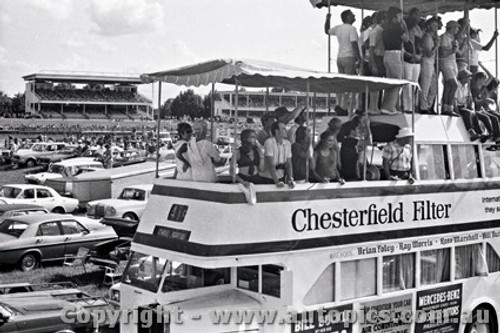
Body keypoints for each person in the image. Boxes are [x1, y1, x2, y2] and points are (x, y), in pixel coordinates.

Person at [325, 9, 361, 115]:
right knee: (351, 85)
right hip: (349, 57)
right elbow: (354, 44)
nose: (354, 16)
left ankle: (340, 104)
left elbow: (326, 30)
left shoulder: (338, 28)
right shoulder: (352, 29)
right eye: (352, 15)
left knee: (343, 84)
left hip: (340, 57)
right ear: (347, 17)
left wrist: (327, 19)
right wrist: (359, 58)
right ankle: (344, 108)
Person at [380, 7, 409, 115]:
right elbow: (406, 39)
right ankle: (389, 107)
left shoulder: (386, 27)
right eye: (400, 16)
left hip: (387, 54)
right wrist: (405, 26)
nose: (401, 18)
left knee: (390, 81)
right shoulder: (397, 27)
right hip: (395, 54)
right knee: (397, 81)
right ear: (395, 16)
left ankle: (387, 105)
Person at [338, 110, 372, 181]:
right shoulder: (350, 141)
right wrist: (367, 126)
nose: (358, 131)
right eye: (357, 129)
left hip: (348, 172)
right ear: (351, 131)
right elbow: (369, 141)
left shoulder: (346, 141)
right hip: (351, 173)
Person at [260, 122, 295, 188]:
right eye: (283, 129)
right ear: (277, 131)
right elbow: (271, 164)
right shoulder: (269, 142)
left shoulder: (287, 143)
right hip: (268, 178)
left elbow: (289, 163)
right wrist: (277, 181)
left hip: (280, 176)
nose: (286, 130)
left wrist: (290, 179)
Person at [439, 20, 462, 116]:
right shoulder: (444, 37)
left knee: (448, 86)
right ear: (451, 27)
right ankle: (449, 107)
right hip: (446, 63)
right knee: (454, 85)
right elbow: (443, 53)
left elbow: (459, 52)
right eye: (456, 27)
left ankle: (446, 107)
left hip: (453, 63)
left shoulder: (453, 38)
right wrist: (453, 50)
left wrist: (457, 48)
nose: (457, 29)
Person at [419, 17, 440, 114]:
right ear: (428, 26)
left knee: (434, 87)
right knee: (425, 85)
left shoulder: (432, 37)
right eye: (434, 25)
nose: (436, 27)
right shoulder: (427, 37)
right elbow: (428, 53)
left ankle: (428, 105)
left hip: (431, 63)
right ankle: (423, 107)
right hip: (427, 61)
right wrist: (436, 45)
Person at [402, 16, 422, 112]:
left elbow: (421, 50)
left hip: (416, 63)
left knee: (414, 83)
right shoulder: (405, 40)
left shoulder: (417, 41)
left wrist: (419, 56)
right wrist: (411, 55)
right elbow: (402, 50)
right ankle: (406, 107)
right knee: (407, 84)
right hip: (407, 62)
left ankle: (412, 106)